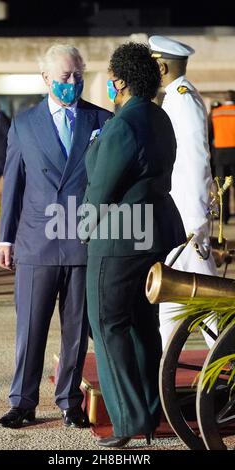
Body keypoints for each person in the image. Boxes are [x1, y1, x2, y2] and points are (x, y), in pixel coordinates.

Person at [0, 44, 112, 429]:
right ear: (45, 78)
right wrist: (6, 239)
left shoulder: (102, 121)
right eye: (64, 77)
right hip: (36, 242)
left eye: (77, 75)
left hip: (83, 242)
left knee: (77, 330)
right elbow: (13, 185)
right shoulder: (24, 124)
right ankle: (23, 401)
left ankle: (69, 402)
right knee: (30, 328)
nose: (72, 82)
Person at [78, 42, 186, 447]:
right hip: (155, 234)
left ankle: (126, 421)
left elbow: (102, 186)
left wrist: (83, 229)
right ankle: (149, 414)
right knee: (143, 325)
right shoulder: (158, 117)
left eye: (111, 76)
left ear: (120, 80)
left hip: (119, 238)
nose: (109, 82)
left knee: (107, 325)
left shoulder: (124, 123)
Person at [148, 35, 218, 348]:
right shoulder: (174, 97)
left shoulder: (183, 97)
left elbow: (196, 160)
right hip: (178, 216)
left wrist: (195, 220)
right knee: (174, 296)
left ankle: (225, 355)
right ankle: (164, 367)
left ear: (161, 66)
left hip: (187, 219)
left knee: (208, 298)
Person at [210, 90, 235, 224]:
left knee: (222, 188)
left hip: (220, 155)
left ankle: (224, 218)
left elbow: (209, 135)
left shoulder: (215, 113)